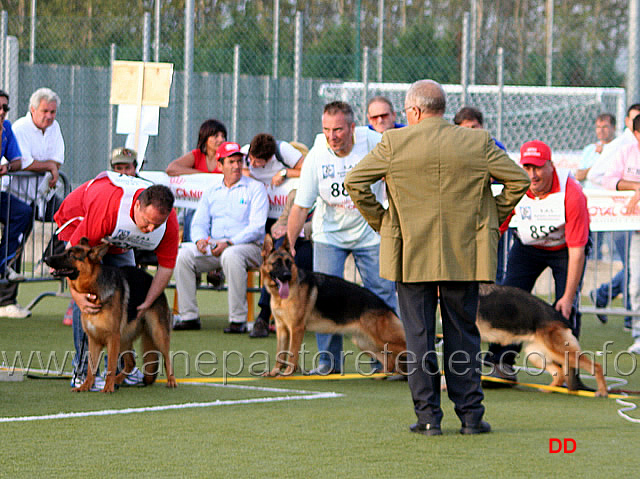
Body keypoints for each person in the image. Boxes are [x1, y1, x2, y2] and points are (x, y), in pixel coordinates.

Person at [345, 79, 530, 436]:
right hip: (463, 253)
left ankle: (428, 418)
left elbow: (356, 182)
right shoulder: (476, 140)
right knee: (463, 334)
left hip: (410, 253)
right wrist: (490, 215)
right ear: (441, 108)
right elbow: (518, 180)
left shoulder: (394, 141)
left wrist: (383, 221)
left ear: (413, 111)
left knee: (418, 336)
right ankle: (471, 417)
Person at [287, 101, 397, 375]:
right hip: (329, 234)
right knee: (324, 298)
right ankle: (329, 363)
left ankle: (387, 360)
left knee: (381, 293)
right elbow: (301, 206)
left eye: (338, 130)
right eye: (326, 129)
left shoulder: (374, 142)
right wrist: (289, 243)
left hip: (370, 232)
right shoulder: (316, 155)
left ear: (352, 127)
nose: (332, 136)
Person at [54, 173, 179, 389]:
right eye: (147, 222)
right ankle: (83, 372)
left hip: (119, 238)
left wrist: (147, 303)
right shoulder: (106, 209)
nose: (150, 229)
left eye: (156, 225)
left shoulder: (169, 223)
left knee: (121, 293)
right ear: (138, 205)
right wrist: (78, 297)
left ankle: (123, 368)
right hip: (79, 220)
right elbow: (71, 264)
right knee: (89, 294)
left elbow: (166, 267)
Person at [486, 140, 591, 389]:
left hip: (565, 249)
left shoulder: (572, 193)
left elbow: (577, 252)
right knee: (507, 299)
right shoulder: (516, 189)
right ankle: (501, 365)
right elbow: (495, 233)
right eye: (528, 168)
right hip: (527, 247)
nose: (533, 175)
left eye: (539, 168)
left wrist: (567, 295)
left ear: (551, 166)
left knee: (566, 307)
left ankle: (571, 372)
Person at [172, 142, 268, 332]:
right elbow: (199, 222)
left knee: (231, 255)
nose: (236, 166)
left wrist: (229, 242)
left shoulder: (255, 188)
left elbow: (257, 227)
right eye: (231, 162)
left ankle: (238, 320)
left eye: (239, 161)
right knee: (183, 255)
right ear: (220, 165)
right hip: (215, 245)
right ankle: (189, 316)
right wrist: (200, 239)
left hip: (248, 247)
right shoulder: (211, 190)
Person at [587, 105, 640, 330]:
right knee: (633, 271)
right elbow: (602, 177)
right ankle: (634, 325)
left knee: (632, 270)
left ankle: (601, 295)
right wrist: (635, 187)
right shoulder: (624, 149)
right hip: (627, 221)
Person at [600, 114, 640, 354]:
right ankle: (638, 333)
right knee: (636, 284)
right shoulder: (626, 153)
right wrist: (635, 186)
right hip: (637, 231)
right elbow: (608, 180)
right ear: (636, 135)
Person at [250, 189, 313, 338]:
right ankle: (263, 317)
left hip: (313, 240)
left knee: (296, 259)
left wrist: (293, 229)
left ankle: (291, 315)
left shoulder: (325, 193)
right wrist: (277, 228)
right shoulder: (295, 194)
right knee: (277, 255)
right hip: (290, 239)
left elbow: (320, 223)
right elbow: (283, 219)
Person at [0, 89, 34, 318]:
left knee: (22, 212)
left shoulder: (7, 128)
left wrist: (7, 167)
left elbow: (18, 161)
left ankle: (3, 263)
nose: (2, 112)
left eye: (5, 108)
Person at [166, 118, 227, 242]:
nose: (221, 140)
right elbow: (171, 168)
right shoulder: (197, 155)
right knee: (190, 216)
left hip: (220, 205)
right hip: (196, 205)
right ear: (205, 138)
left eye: (223, 136)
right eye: (216, 136)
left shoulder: (227, 158)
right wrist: (201, 176)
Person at [11, 88, 65, 220]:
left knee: (67, 215)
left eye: (52, 112)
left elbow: (58, 159)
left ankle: (56, 242)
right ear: (33, 109)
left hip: (43, 195)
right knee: (20, 232)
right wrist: (49, 166)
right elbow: (23, 163)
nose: (49, 116)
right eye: (45, 111)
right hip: (18, 195)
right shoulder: (20, 128)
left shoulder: (55, 127)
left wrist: (49, 166)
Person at [576, 113, 616, 189]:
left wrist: (603, 154)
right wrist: (598, 166)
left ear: (613, 128)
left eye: (605, 127)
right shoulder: (590, 149)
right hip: (590, 193)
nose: (601, 130)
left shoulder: (619, 148)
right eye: (598, 127)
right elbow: (579, 175)